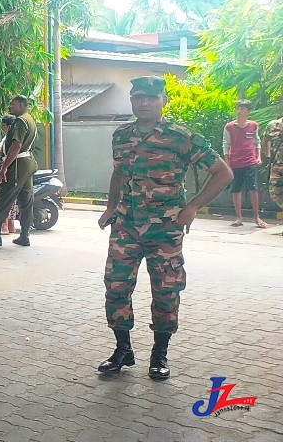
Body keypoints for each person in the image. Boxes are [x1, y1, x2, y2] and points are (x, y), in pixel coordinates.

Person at [96, 76, 232, 381]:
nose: (143, 103)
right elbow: (118, 173)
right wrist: (110, 207)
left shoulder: (182, 137)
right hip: (126, 228)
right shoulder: (121, 136)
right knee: (116, 288)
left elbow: (223, 173)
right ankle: (123, 350)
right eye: (138, 97)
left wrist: (193, 205)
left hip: (165, 230)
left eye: (151, 97)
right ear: (132, 100)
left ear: (163, 102)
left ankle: (159, 354)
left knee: (166, 293)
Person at [0, 95, 37, 247]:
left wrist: (4, 168)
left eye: (12, 105)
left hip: (18, 164)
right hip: (28, 162)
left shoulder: (20, 121)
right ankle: (25, 235)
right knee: (26, 199)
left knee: (4, 197)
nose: (10, 107)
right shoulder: (30, 119)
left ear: (20, 105)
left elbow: (16, 146)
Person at [223, 99, 267, 228]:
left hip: (250, 161)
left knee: (253, 188)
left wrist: (258, 157)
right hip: (235, 161)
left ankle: (256, 217)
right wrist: (227, 163)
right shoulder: (229, 127)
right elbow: (226, 145)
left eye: (242, 109)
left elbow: (256, 142)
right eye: (238, 108)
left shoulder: (253, 125)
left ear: (248, 111)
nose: (239, 111)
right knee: (236, 189)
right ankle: (238, 218)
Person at [262, 113, 283, 219]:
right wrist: (268, 157)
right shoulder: (273, 125)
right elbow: (265, 139)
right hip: (277, 167)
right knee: (275, 193)